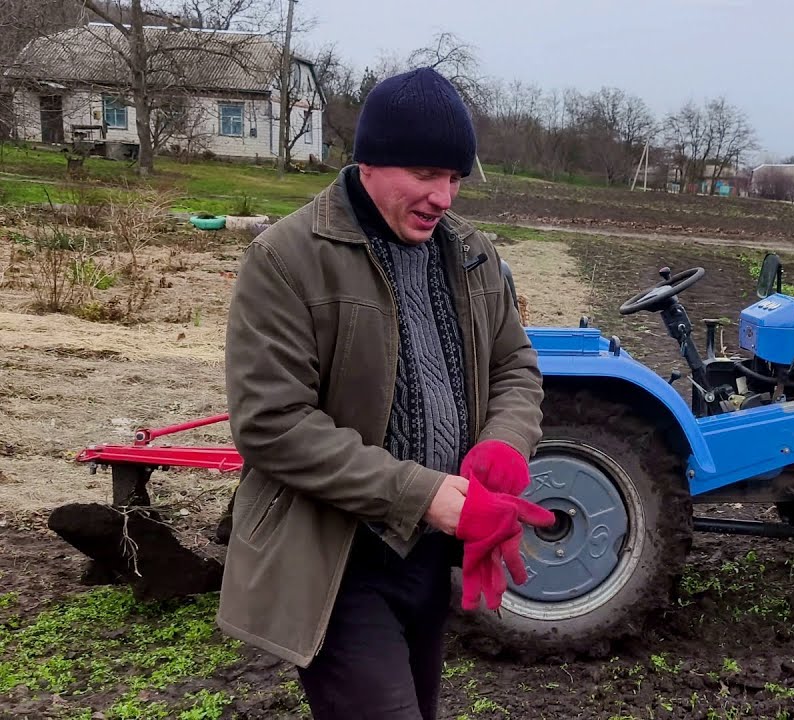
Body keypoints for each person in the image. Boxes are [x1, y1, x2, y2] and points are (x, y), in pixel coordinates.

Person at [217, 66, 554, 720]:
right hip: (335, 561)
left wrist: (505, 445)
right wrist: (422, 494)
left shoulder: (472, 254)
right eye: (426, 175)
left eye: (455, 178)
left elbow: (515, 364)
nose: (444, 197)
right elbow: (272, 423)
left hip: (428, 557)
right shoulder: (287, 257)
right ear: (369, 162)